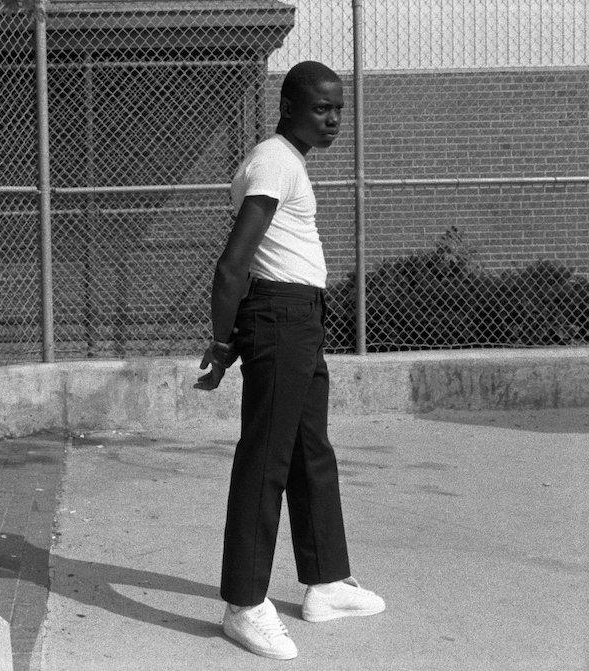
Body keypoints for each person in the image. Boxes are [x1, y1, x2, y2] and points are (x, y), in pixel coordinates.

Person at [196, 61, 385, 661]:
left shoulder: (286, 161)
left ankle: (326, 582)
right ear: (288, 106)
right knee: (266, 460)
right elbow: (232, 265)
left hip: (298, 317)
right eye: (321, 108)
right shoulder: (276, 160)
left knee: (309, 449)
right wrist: (224, 343)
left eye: (338, 109)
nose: (333, 120)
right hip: (278, 317)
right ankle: (244, 604)